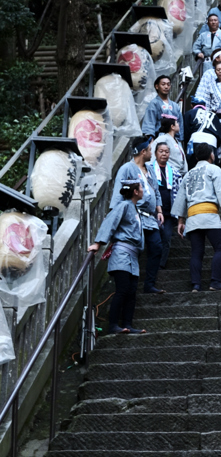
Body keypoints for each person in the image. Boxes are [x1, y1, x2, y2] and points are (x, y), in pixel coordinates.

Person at [170, 138, 221, 292]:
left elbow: (181, 198)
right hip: (209, 215)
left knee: (197, 252)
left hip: (192, 217)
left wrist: (180, 220)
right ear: (211, 155)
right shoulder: (214, 169)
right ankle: (215, 282)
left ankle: (196, 285)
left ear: (197, 157)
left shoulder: (188, 174)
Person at [88, 181, 147, 335]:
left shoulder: (135, 209)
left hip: (133, 256)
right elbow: (110, 223)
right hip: (122, 253)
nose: (143, 190)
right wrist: (98, 244)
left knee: (132, 291)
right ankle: (113, 324)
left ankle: (127, 323)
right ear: (135, 191)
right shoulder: (124, 206)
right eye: (141, 188)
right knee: (122, 289)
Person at [112, 137, 165, 295]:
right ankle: (128, 285)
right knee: (133, 250)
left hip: (150, 217)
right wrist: (116, 217)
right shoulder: (127, 169)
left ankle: (149, 284)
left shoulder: (149, 169)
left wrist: (159, 210)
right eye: (150, 150)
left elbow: (156, 190)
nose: (152, 153)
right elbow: (117, 194)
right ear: (143, 152)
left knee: (157, 247)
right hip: (134, 217)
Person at [149, 140, 181, 271]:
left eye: (167, 152)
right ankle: (153, 263)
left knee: (167, 237)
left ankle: (161, 264)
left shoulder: (174, 171)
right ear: (155, 153)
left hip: (169, 211)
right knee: (155, 239)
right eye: (161, 151)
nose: (164, 154)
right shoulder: (149, 170)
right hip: (153, 211)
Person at [142, 75, 183, 140]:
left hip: (174, 139)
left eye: (168, 84)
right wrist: (151, 140)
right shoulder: (154, 103)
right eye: (163, 84)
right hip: (159, 138)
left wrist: (180, 140)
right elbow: (149, 123)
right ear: (157, 86)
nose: (166, 87)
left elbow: (180, 124)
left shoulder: (175, 106)